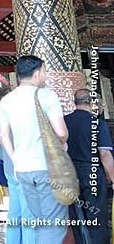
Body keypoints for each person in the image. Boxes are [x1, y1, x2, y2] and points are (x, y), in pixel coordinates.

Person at [0, 55, 69, 242]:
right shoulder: (46, 95)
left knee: (37, 220)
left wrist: (15, 160)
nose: (45, 76)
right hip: (46, 167)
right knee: (53, 225)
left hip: (22, 169)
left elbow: (3, 136)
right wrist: (62, 143)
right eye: (44, 71)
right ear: (37, 74)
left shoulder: (6, 101)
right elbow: (61, 132)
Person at [64, 89, 114, 244]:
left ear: (75, 102)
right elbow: (105, 155)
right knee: (96, 216)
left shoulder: (64, 121)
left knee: (77, 216)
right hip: (91, 173)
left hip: (69, 173)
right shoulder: (97, 123)